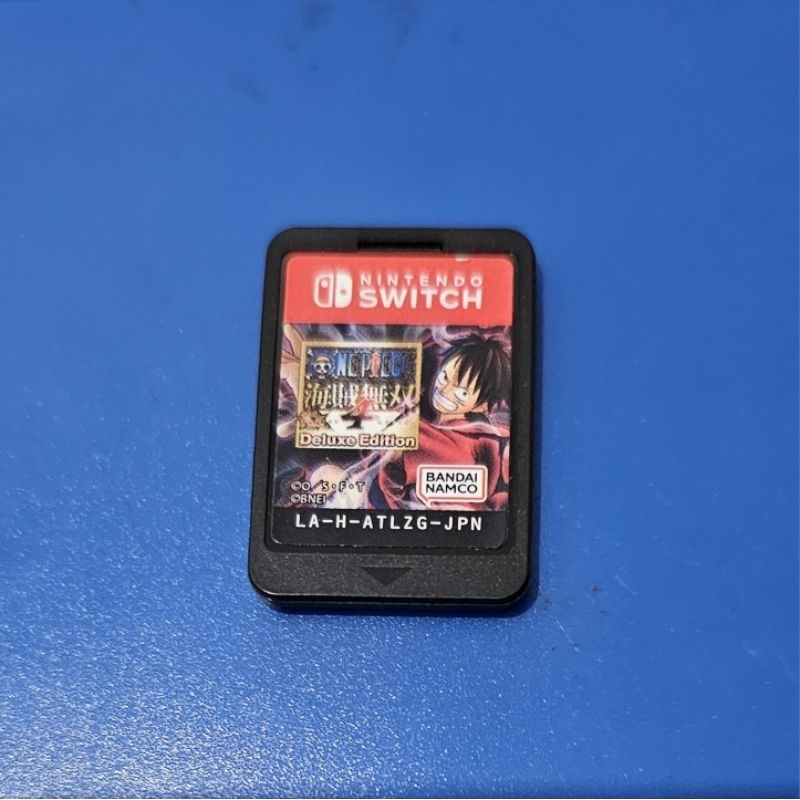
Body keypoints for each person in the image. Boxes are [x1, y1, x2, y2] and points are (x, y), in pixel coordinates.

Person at [376, 333, 511, 510]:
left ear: (481, 405)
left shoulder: (487, 439)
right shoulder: (415, 426)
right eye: (445, 377)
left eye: (461, 392)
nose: (444, 390)